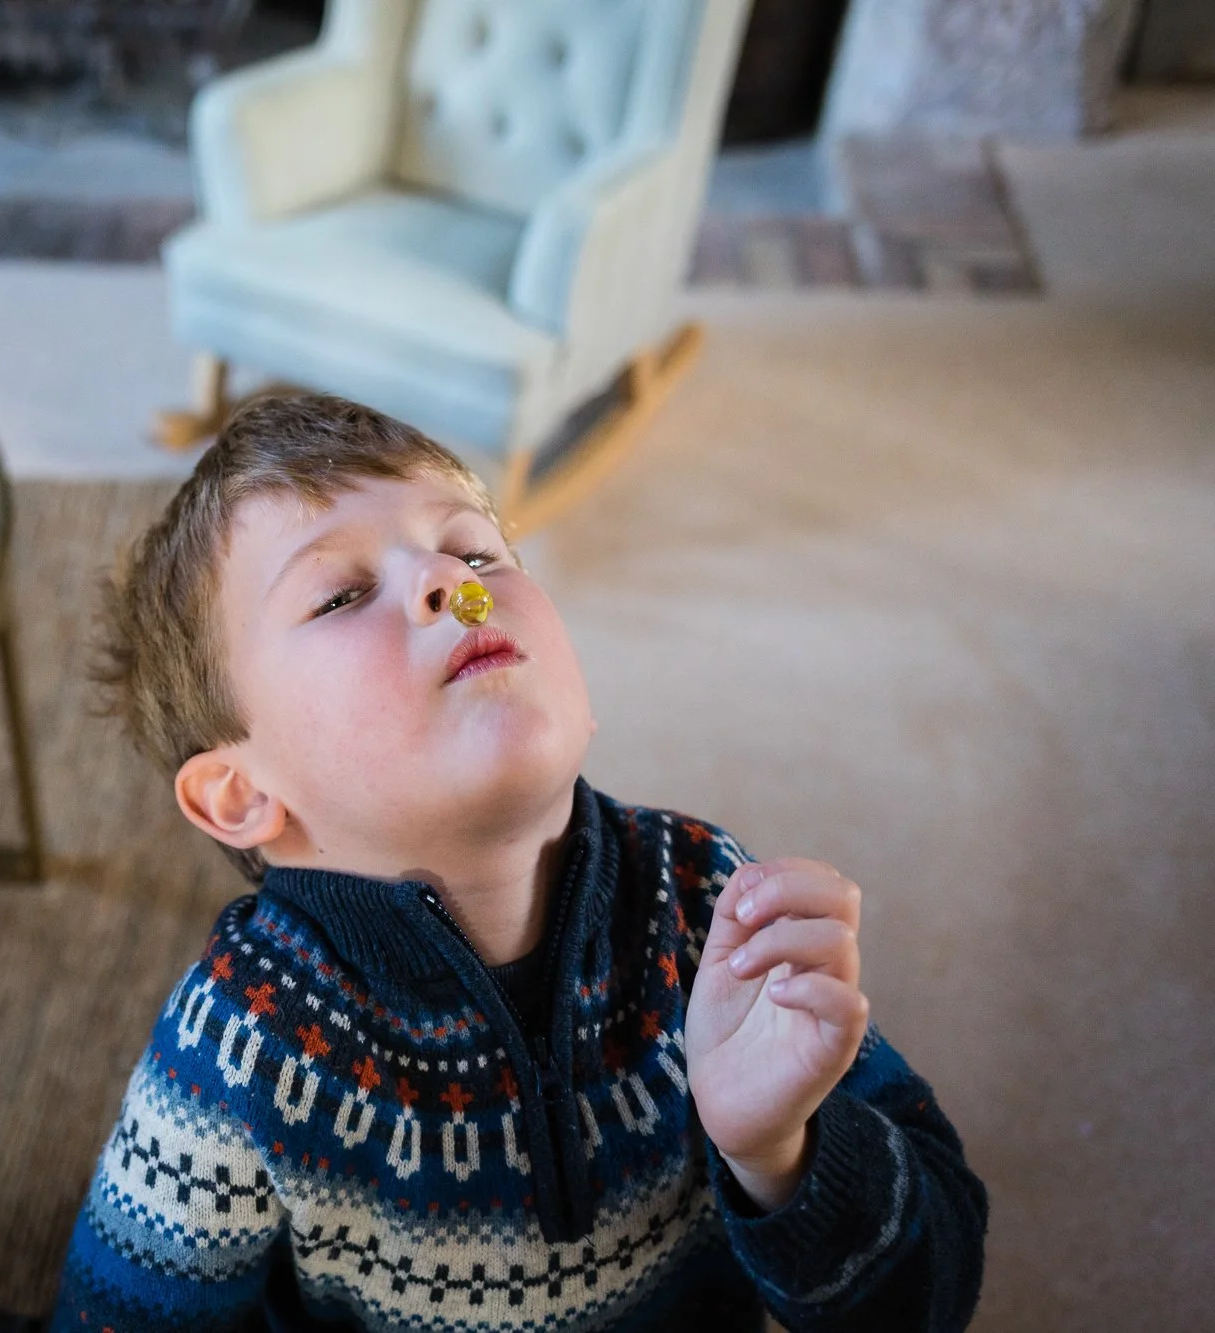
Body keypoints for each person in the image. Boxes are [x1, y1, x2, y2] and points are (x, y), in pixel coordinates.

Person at [54, 394, 988, 1331]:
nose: (446, 580)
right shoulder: (233, 1049)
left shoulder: (707, 903)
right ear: (241, 796)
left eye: (475, 551)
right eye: (340, 595)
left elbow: (931, 1300)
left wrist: (782, 1152)